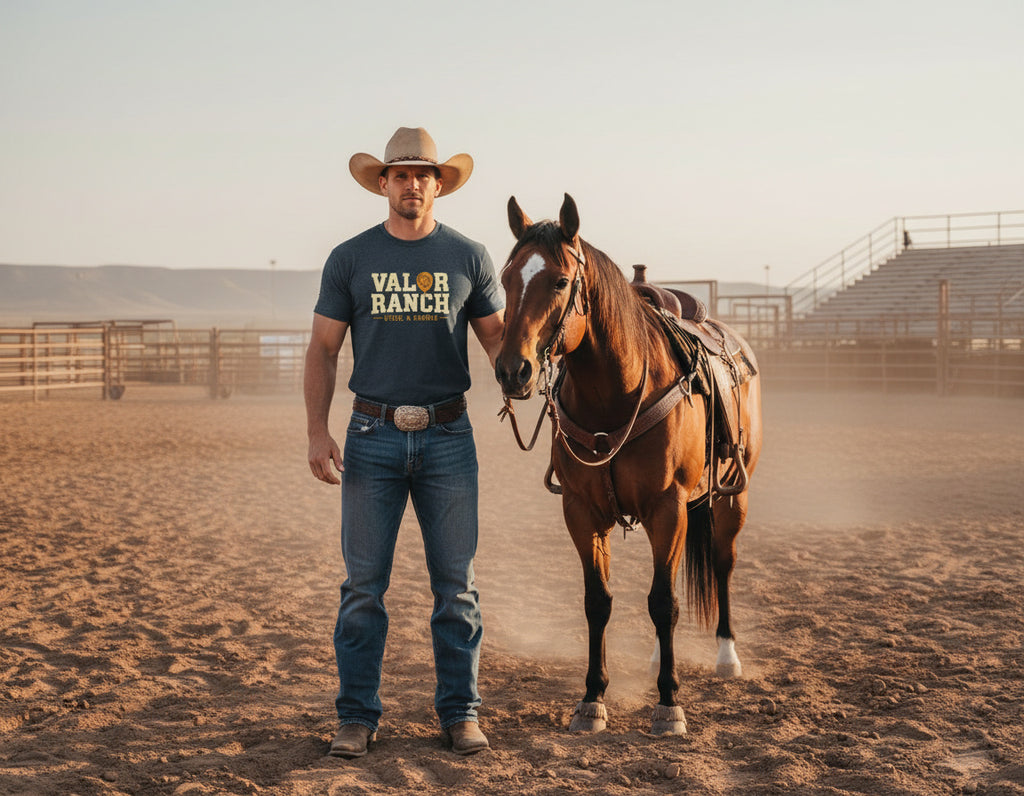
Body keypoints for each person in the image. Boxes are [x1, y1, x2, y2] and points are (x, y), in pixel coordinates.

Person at [304, 127, 504, 758]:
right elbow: (324, 348)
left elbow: (498, 339)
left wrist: (520, 371)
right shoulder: (350, 258)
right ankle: (356, 718)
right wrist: (317, 430)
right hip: (371, 434)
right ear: (383, 183)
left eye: (425, 174)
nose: (413, 183)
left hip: (449, 434)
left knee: (457, 586)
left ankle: (460, 713)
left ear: (439, 184)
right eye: (401, 174)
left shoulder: (470, 256)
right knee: (363, 587)